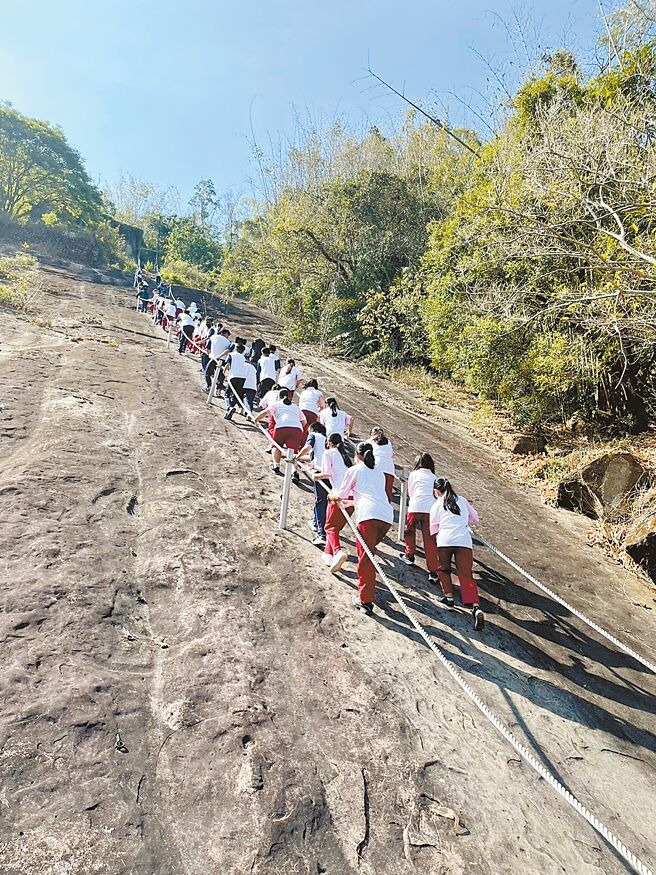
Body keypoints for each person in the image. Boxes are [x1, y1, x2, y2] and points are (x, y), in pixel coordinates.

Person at [330, 442, 394, 615]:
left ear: (357, 455)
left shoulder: (355, 470)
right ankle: (368, 589)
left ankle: (365, 601)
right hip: (386, 517)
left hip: (368, 517)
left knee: (365, 559)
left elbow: (340, 495)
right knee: (368, 554)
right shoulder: (379, 472)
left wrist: (331, 495)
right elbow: (369, 495)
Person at [429, 477, 484, 631]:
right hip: (464, 541)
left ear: (437, 491)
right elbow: (475, 518)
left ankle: (449, 598)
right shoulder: (462, 500)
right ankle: (474, 606)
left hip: (445, 540)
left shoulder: (437, 504)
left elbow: (433, 528)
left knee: (444, 570)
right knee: (466, 574)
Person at [316, 433, 353, 572]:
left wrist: (315, 476)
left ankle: (337, 552)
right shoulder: (346, 457)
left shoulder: (328, 453)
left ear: (329, 442)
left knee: (329, 527)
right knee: (335, 528)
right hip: (350, 500)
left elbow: (326, 473)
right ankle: (328, 554)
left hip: (338, 496)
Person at [401, 453, 439, 581]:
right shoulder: (434, 477)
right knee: (430, 541)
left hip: (415, 507)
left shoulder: (413, 474)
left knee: (409, 532)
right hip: (430, 510)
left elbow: (411, 492)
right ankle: (433, 571)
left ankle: (409, 555)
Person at [254, 390, 307, 479]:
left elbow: (265, 413)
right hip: (297, 429)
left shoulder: (276, 404)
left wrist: (256, 420)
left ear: (279, 397)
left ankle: (276, 466)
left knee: (276, 446)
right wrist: (297, 427)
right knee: (293, 452)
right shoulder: (295, 407)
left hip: (281, 427)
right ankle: (294, 472)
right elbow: (304, 421)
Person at [299, 421, 328, 545]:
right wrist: (298, 457)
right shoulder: (326, 439)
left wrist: (297, 456)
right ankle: (315, 521)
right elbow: (312, 457)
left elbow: (307, 448)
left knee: (320, 501)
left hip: (320, 473)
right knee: (323, 502)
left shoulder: (313, 436)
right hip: (329, 472)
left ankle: (321, 533)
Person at [224, 343, 248, 420]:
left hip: (233, 376)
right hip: (242, 378)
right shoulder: (243, 358)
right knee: (236, 395)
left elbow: (228, 364)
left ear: (236, 349)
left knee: (227, 394)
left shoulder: (231, 354)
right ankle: (231, 407)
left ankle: (229, 407)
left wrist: (224, 371)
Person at [370, 426, 395, 502]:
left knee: (374, 492)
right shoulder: (388, 442)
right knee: (387, 493)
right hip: (389, 468)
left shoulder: (369, 441)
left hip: (376, 467)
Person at [204, 328, 231, 393]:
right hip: (223, 360)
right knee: (221, 376)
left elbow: (208, 348)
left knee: (207, 373)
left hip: (214, 358)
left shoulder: (213, 337)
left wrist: (210, 354)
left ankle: (209, 387)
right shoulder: (229, 342)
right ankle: (218, 390)